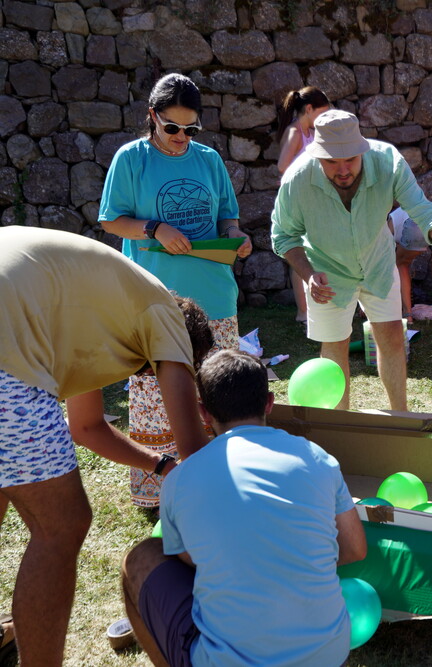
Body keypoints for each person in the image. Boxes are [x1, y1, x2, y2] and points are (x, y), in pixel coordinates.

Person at [0, 226, 212, 666]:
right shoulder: (164, 314)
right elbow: (195, 452)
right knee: (63, 522)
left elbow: (87, 427)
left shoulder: (101, 309)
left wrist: (160, 466)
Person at [121, 350, 367, 666]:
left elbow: (190, 561)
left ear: (203, 413)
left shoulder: (179, 479)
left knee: (140, 558)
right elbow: (355, 549)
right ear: (269, 402)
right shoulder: (318, 458)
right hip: (329, 655)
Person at [271, 110, 432, 411]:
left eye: (349, 159)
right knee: (335, 348)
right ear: (317, 156)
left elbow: (426, 213)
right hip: (326, 271)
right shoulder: (297, 180)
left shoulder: (388, 161)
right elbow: (284, 237)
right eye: (331, 161)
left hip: (377, 262)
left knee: (391, 336)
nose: (342, 170)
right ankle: (341, 429)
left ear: (362, 149)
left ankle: (400, 417)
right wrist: (308, 273)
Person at [100, 72, 252, 508]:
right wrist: (154, 227)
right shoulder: (131, 159)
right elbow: (111, 220)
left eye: (191, 129)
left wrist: (237, 237)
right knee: (154, 396)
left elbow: (228, 217)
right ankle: (159, 493)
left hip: (216, 297)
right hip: (155, 301)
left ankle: (222, 484)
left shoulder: (208, 160)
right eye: (172, 128)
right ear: (152, 116)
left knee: (221, 390)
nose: (181, 137)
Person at [276, 86, 332, 323]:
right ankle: (303, 312)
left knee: (314, 253)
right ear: (309, 109)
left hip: (311, 201)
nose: (325, 117)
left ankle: (316, 306)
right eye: (322, 112)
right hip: (297, 201)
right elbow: (282, 166)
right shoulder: (295, 132)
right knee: (298, 253)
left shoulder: (309, 131)